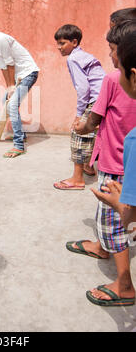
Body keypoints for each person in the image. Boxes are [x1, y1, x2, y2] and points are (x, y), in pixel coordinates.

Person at [66, 19, 136, 307]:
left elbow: (94, 119)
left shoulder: (112, 79)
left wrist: (80, 127)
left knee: (114, 221)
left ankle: (124, 285)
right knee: (106, 214)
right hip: (126, 163)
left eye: (111, 49)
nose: (109, 55)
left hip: (113, 162)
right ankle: (101, 247)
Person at [93, 27, 136, 245]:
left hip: (113, 166)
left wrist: (121, 205)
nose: (111, 57)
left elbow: (129, 216)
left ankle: (123, 279)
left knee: (114, 226)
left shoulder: (134, 142)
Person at [0, 10, 39, 158]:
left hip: (29, 73)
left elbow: (10, 64)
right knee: (6, 99)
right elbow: (3, 66)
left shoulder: (0, 39)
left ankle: (18, 145)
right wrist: (9, 87)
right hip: (19, 76)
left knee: (11, 104)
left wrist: (12, 86)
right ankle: (21, 135)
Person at [53, 24, 105, 190]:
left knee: (79, 131)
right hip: (102, 97)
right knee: (93, 132)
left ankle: (77, 179)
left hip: (95, 99)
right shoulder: (84, 55)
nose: (58, 47)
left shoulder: (73, 58)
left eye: (62, 43)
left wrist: (79, 113)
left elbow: (84, 89)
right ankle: (88, 166)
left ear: (74, 42)